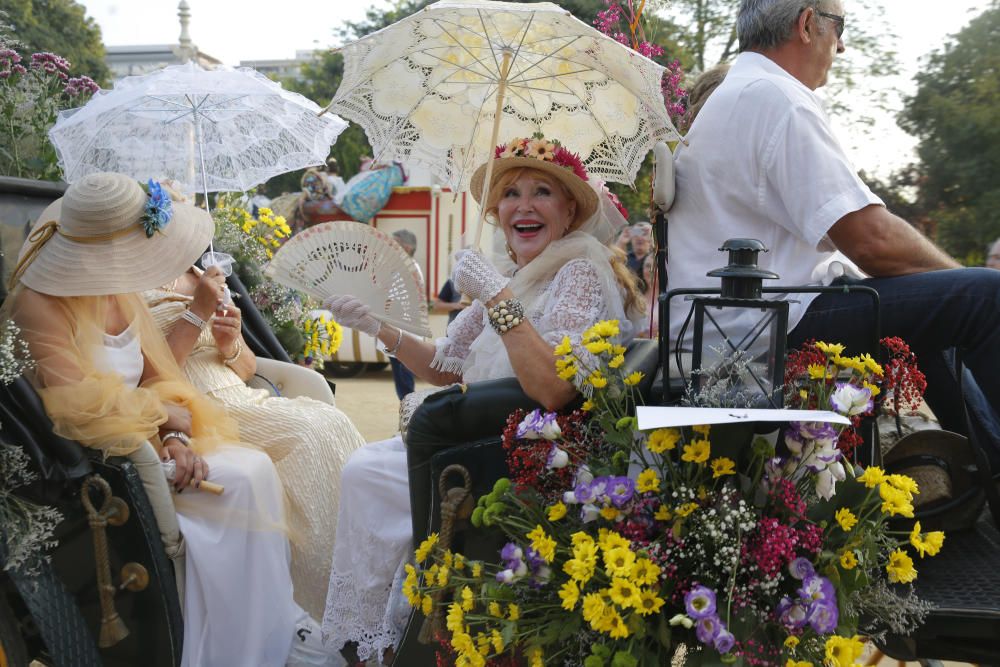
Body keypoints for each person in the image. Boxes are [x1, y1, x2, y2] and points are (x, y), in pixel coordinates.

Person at [319, 135, 644, 665]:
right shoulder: (517, 275)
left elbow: (553, 387)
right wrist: (378, 327)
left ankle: (392, 632)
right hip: (476, 435)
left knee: (365, 470)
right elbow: (445, 366)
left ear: (567, 212)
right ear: (497, 213)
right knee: (363, 467)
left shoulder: (579, 271)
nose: (524, 205)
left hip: (525, 453)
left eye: (542, 192)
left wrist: (495, 294)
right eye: (510, 194)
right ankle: (384, 633)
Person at [4, 173, 332, 666]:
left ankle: (266, 640)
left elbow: (160, 377)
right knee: (241, 481)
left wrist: (178, 433)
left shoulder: (118, 289)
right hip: (109, 455)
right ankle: (221, 652)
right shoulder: (39, 302)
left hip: (153, 436)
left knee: (255, 469)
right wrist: (162, 443)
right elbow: (82, 405)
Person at [667, 0, 1000, 462]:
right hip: (764, 332)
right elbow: (873, 242)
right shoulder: (775, 97)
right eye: (839, 28)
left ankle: (981, 463)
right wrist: (954, 278)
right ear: (807, 24)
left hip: (731, 327)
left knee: (933, 304)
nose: (841, 46)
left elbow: (844, 230)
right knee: (985, 296)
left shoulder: (740, 94)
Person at [145, 265, 366, 619]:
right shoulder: (128, 285)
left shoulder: (199, 272)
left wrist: (230, 343)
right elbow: (150, 376)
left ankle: (358, 581)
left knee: (332, 423)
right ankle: (316, 602)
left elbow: (247, 369)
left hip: (243, 396)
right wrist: (196, 312)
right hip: (197, 409)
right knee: (307, 435)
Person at [388, 229, 419, 400]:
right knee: (401, 379)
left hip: (402, 331)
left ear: (406, 248)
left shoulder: (408, 270)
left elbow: (397, 301)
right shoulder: (402, 268)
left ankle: (409, 418)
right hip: (398, 329)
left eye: (395, 244)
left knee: (404, 381)